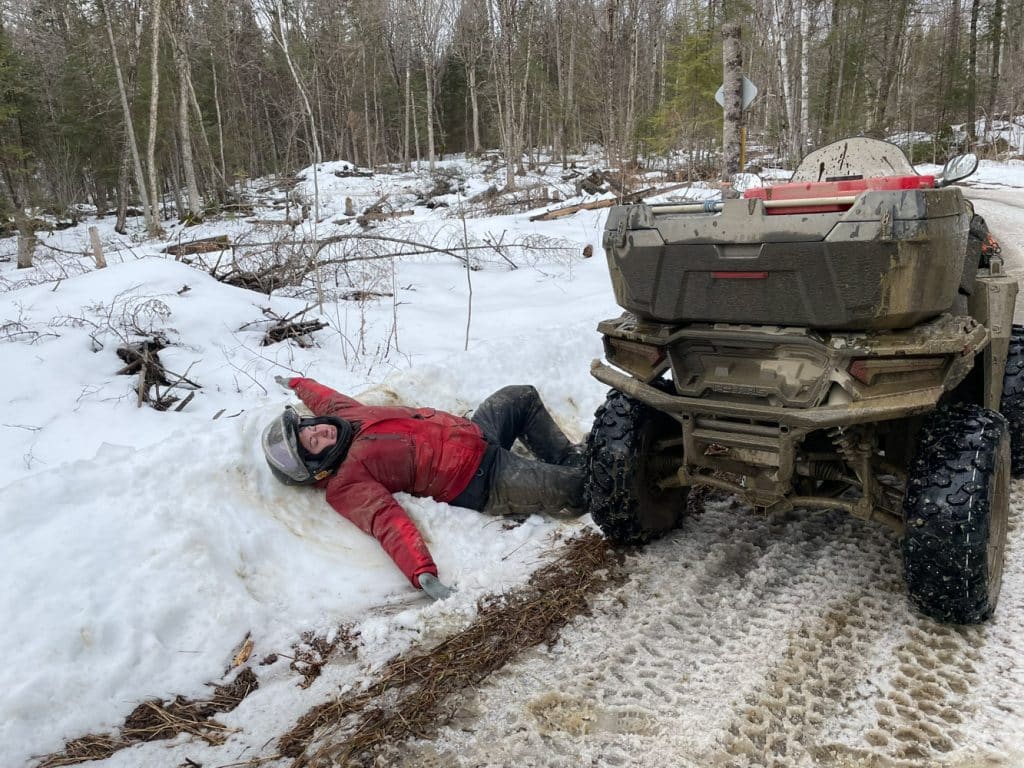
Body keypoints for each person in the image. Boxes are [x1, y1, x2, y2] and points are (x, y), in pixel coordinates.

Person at [262, 377, 585, 599]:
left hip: (478, 433)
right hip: (484, 478)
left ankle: (568, 457)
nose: (318, 431)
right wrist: (421, 573)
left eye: (310, 427)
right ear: (317, 467)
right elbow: (386, 522)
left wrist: (297, 384)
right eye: (313, 443)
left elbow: (324, 397)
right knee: (579, 488)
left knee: (520, 395)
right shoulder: (347, 481)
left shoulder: (345, 415)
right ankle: (582, 476)